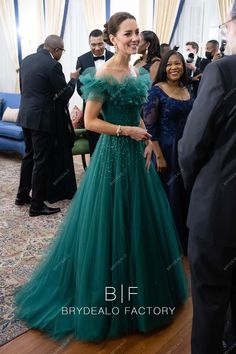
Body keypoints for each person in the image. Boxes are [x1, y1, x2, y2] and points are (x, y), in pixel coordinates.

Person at [15, 12, 188, 342]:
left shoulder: (137, 71)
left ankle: (141, 299)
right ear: (112, 39)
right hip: (112, 157)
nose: (134, 37)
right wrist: (128, 131)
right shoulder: (102, 74)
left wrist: (149, 140)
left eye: (137, 32)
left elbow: (138, 111)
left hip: (138, 157)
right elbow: (92, 121)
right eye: (127, 33)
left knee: (139, 224)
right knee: (110, 225)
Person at [178, 2, 236, 353]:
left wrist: (195, 187)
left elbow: (191, 145)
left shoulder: (223, 72)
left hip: (218, 212)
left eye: (225, 24)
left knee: (211, 302)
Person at [15, 35, 80, 216]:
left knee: (29, 156)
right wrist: (73, 79)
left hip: (25, 116)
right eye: (62, 51)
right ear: (56, 50)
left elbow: (24, 90)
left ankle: (21, 196)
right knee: (41, 161)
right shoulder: (53, 65)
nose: (61, 55)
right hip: (42, 120)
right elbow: (64, 94)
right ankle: (36, 205)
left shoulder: (26, 60)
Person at [143, 50, 194, 255]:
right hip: (166, 149)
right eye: (170, 64)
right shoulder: (156, 90)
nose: (174, 67)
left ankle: (186, 241)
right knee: (170, 196)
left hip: (187, 149)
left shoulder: (187, 88)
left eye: (178, 64)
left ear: (183, 67)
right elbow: (149, 127)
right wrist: (160, 156)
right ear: (164, 67)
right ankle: (169, 246)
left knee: (186, 194)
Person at [76, 29, 114, 155]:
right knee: (95, 146)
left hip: (112, 109)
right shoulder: (81, 59)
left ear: (105, 43)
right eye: (93, 44)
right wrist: (94, 103)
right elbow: (80, 87)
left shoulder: (114, 57)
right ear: (89, 43)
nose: (97, 48)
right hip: (91, 111)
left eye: (100, 44)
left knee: (112, 145)